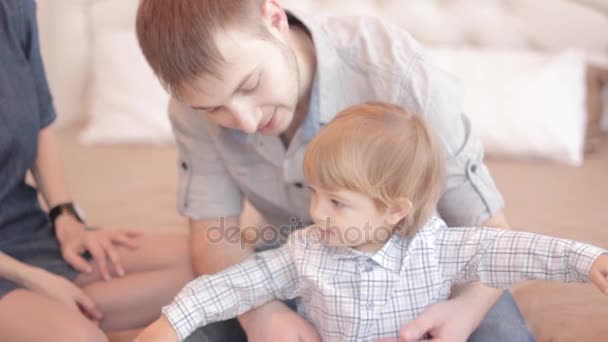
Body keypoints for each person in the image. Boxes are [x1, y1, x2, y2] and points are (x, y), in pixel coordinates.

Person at [135, 1, 532, 341]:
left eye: (250, 84)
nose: (245, 120)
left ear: (274, 18)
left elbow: (490, 230)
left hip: (430, 272)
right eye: (215, 109)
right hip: (299, 269)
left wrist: (463, 313)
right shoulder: (190, 109)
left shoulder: (398, 73)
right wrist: (261, 314)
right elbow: (214, 238)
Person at [134, 102, 608, 342]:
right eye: (314, 193)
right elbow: (235, 284)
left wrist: (588, 261)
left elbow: (521, 251)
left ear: (395, 209)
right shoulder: (306, 251)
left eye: (337, 202)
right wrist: (171, 323)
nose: (316, 213)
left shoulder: (439, 249)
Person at [0, 1, 193, 340]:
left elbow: (42, 119)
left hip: (22, 228)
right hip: (12, 266)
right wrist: (33, 279)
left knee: (202, 266)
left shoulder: (15, 9)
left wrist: (66, 217)